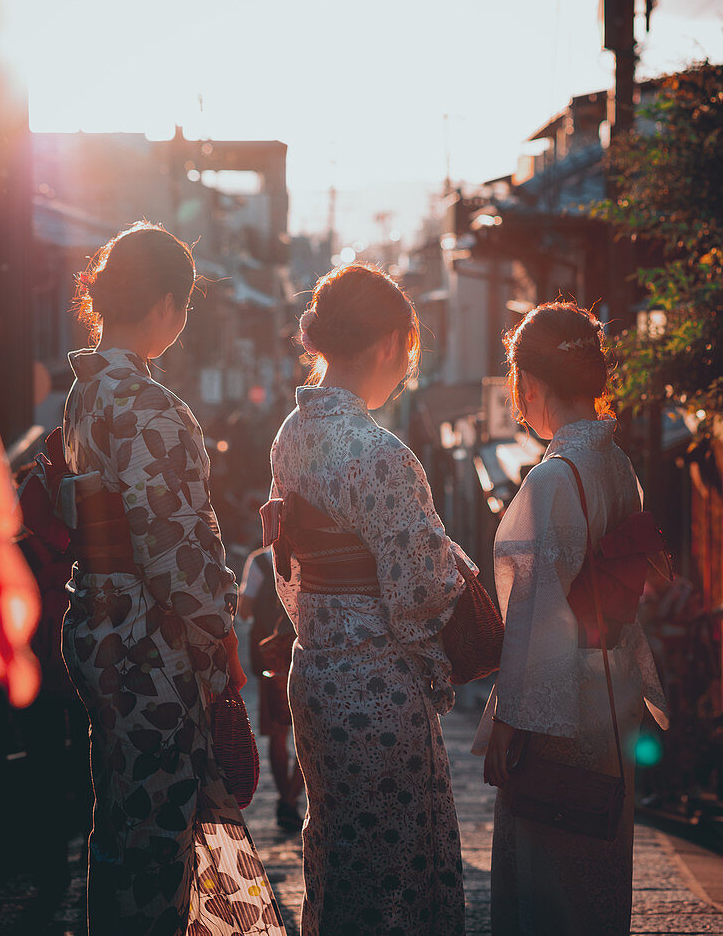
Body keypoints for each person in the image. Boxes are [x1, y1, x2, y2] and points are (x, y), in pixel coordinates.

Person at [61, 222, 286, 936]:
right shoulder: (151, 406)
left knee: (118, 820)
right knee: (161, 832)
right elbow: (178, 548)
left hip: (96, 622)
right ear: (167, 304)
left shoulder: (87, 393)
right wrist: (219, 636)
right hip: (148, 639)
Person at [265, 263, 468, 936]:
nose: (407, 369)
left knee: (339, 853)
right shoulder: (377, 453)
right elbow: (419, 588)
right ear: (389, 343)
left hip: (315, 672)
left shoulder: (291, 436)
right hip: (376, 683)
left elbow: (288, 566)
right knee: (396, 868)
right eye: (408, 352)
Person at [473, 301, 669, 936]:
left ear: (528, 385)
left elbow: (536, 615)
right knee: (598, 863)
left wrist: (508, 719)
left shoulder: (556, 477)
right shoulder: (619, 467)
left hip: (557, 704)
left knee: (545, 872)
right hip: (611, 691)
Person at [238, 546, 304, 831]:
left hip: (270, 656)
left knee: (278, 731)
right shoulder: (312, 553)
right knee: (309, 731)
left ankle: (285, 799)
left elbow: (244, 611)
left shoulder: (260, 562)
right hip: (309, 650)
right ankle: (290, 799)